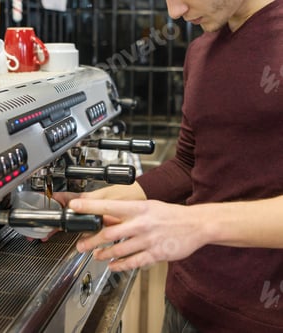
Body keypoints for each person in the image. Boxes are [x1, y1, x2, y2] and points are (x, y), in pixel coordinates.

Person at [53, 0, 283, 332]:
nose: (174, 11)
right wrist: (94, 204)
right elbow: (189, 165)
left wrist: (196, 223)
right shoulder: (201, 51)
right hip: (184, 303)